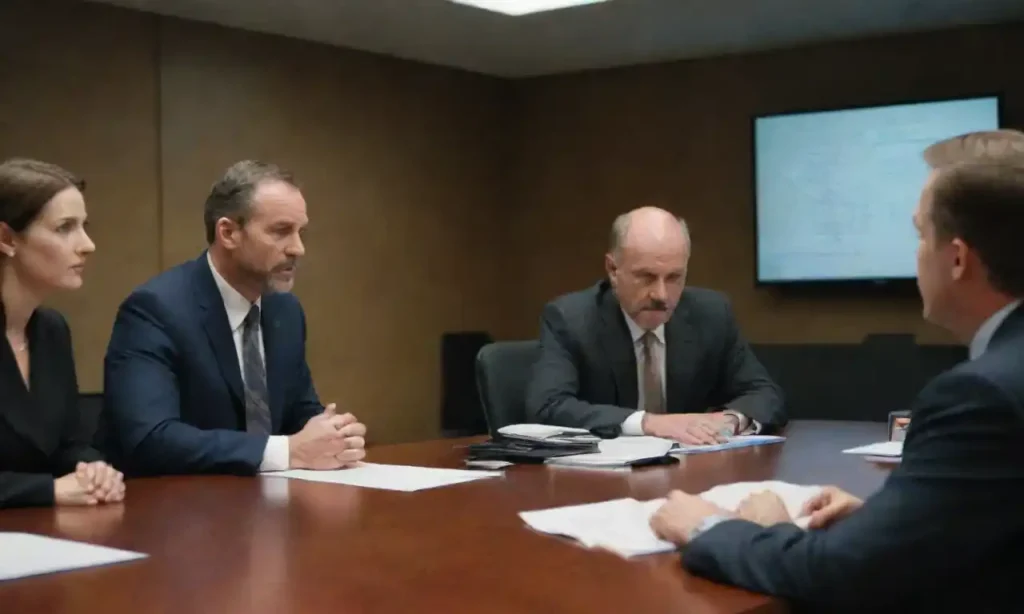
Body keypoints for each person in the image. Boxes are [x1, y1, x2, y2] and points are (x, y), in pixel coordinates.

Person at [649, 129, 1024, 613]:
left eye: (918, 234)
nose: (914, 253)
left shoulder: (982, 396)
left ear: (956, 259)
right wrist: (889, 523)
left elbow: (838, 577)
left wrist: (711, 527)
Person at [103, 160, 366, 476]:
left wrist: (334, 436)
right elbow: (150, 439)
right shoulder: (155, 310)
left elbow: (298, 411)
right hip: (172, 508)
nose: (298, 248)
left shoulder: (285, 310)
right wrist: (288, 451)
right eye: (281, 231)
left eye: (301, 232)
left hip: (264, 502)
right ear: (228, 233)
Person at [525, 206, 785, 444]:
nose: (661, 295)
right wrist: (649, 423)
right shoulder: (571, 319)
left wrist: (728, 422)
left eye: (674, 277)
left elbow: (764, 393)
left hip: (689, 473)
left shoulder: (711, 314)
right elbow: (548, 406)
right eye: (646, 277)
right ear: (613, 269)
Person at [0, 158, 125, 508]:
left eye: (84, 226)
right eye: (65, 228)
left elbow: (67, 443)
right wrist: (49, 491)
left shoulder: (52, 331)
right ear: (6, 238)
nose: (87, 244)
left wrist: (93, 469)